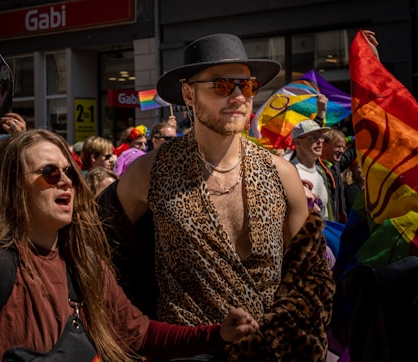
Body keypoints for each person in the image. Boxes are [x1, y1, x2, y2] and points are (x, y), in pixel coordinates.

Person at [0, 129, 260, 362]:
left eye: (69, 173)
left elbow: (140, 333)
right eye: (49, 173)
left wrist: (218, 334)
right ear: (15, 187)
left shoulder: (83, 265)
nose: (65, 182)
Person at [97, 33, 334, 360]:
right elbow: (99, 245)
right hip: (184, 352)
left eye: (246, 86)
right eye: (222, 86)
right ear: (188, 93)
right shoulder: (150, 172)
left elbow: (310, 278)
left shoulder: (282, 175)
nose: (238, 97)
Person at [288, 119, 332, 220]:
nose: (320, 141)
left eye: (321, 137)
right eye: (313, 137)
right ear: (297, 142)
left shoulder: (322, 173)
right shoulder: (291, 173)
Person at [321, 128, 356, 223]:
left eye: (344, 148)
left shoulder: (336, 167)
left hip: (337, 224)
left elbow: (352, 152)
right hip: (323, 225)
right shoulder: (315, 166)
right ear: (324, 145)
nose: (341, 151)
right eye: (338, 146)